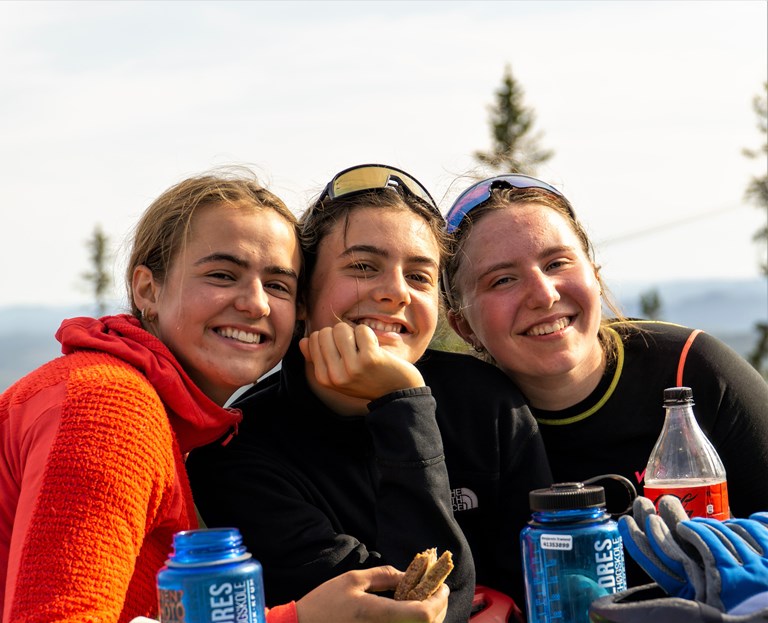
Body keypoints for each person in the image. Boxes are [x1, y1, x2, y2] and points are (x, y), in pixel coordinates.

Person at [0, 170, 449, 623]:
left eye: (277, 285)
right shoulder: (110, 407)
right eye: (222, 274)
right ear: (146, 289)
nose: (255, 304)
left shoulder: (156, 415)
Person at [187, 164, 553, 622]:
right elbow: (407, 613)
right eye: (363, 266)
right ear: (304, 296)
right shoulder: (239, 453)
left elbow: (544, 581)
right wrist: (404, 405)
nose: (395, 293)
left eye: (419, 277)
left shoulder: (487, 403)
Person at [440, 172, 768, 580]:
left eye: (557, 262)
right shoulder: (452, 420)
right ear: (462, 326)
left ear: (594, 275)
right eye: (502, 280)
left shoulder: (690, 369)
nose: (544, 295)